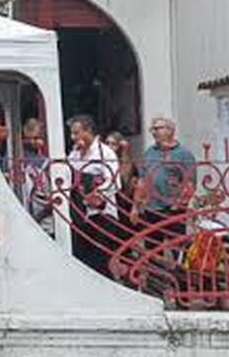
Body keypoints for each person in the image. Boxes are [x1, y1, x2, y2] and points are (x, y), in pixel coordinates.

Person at [134, 117, 196, 253]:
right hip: (151, 208)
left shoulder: (183, 154)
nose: (154, 132)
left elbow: (190, 183)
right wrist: (137, 205)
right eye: (152, 129)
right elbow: (142, 179)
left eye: (158, 128)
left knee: (177, 247)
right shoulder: (149, 152)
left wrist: (177, 205)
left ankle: (177, 273)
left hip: (172, 209)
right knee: (152, 248)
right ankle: (155, 272)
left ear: (170, 130)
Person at [67, 115, 119, 277]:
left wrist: (96, 194)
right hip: (79, 214)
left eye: (76, 133)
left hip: (101, 215)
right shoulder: (74, 153)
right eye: (72, 133)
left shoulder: (104, 152)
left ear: (88, 131)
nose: (73, 137)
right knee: (81, 257)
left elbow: (115, 181)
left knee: (100, 260)